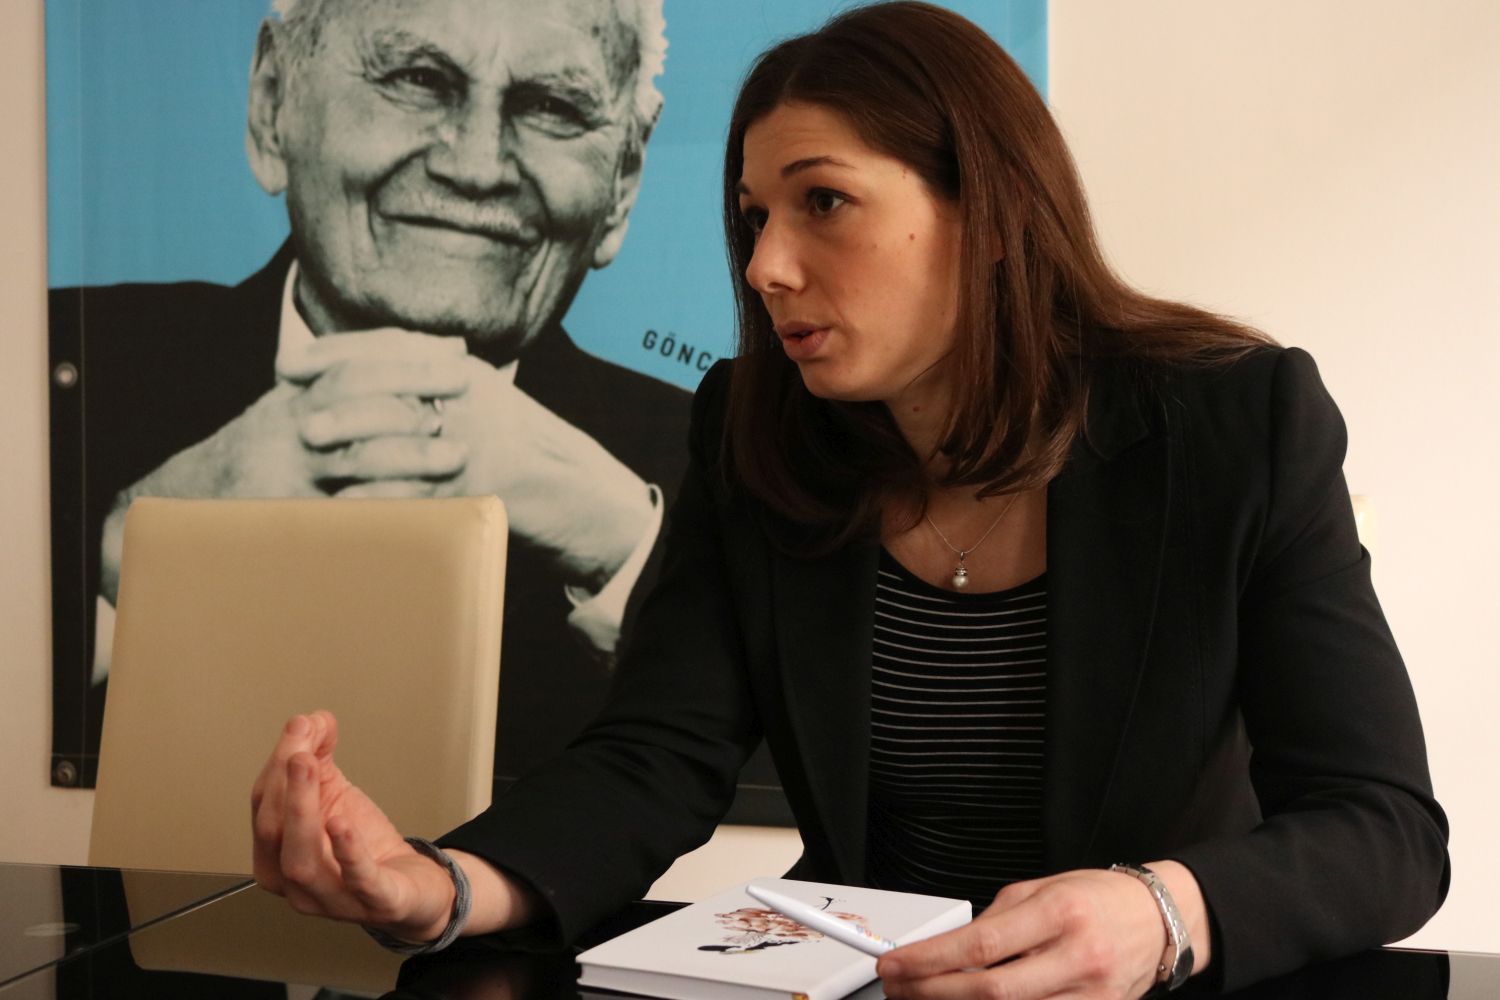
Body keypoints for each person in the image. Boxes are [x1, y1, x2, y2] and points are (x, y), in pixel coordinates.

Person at [248, 4, 1450, 997]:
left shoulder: (1237, 424)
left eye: (822, 202)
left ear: (988, 211)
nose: (767, 264)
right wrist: (440, 885)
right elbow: (656, 756)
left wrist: (1162, 912)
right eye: (753, 217)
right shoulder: (752, 428)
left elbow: (1384, 827)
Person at [48, 0, 691, 785]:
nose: (476, 167)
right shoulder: (40, 381)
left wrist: (633, 561)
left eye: (553, 106)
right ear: (274, 102)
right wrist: (131, 560)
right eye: (417, 78)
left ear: (624, 177)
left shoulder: (729, 471)